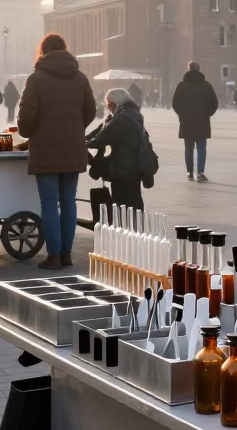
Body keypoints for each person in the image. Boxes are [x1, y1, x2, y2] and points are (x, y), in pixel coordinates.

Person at [17, 34, 96, 270]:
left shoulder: (36, 79)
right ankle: (67, 253)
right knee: (69, 202)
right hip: (72, 148)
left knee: (49, 203)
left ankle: (54, 255)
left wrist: (29, 131)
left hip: (45, 150)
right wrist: (74, 127)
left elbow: (26, 117)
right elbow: (91, 111)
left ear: (43, 51)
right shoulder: (80, 78)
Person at [87, 88, 148, 212]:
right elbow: (100, 130)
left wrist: (86, 143)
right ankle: (133, 224)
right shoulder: (128, 113)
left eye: (110, 104)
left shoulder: (122, 117)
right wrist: (85, 140)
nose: (108, 108)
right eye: (107, 105)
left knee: (124, 200)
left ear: (118, 101)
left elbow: (104, 136)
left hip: (124, 166)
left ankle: (128, 226)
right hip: (130, 164)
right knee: (132, 197)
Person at [172, 61, 219, 182]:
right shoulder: (206, 85)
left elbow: (175, 103)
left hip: (186, 121)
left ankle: (189, 172)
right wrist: (208, 113)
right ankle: (200, 172)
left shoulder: (181, 86)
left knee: (188, 147)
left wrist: (182, 114)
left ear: (188, 69)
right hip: (202, 120)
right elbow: (214, 103)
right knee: (201, 146)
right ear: (199, 70)